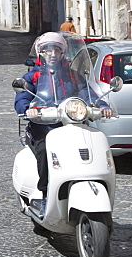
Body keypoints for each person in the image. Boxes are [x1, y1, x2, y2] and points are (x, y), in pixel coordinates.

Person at [14, 32, 113, 217]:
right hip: (43, 126)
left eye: (57, 50)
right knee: (44, 150)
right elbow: (22, 95)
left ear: (63, 53)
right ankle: (44, 194)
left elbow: (87, 92)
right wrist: (27, 108)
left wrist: (102, 105)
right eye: (47, 51)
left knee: (89, 143)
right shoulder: (32, 76)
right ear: (40, 53)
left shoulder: (73, 76)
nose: (52, 54)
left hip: (70, 124)